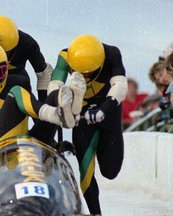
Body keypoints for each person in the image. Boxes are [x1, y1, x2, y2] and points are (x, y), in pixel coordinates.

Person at [47, 34, 128, 215]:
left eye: (88, 72)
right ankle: (95, 212)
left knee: (110, 171)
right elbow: (54, 83)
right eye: (80, 72)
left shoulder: (112, 53)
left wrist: (104, 109)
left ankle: (76, 102)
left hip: (108, 112)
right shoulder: (66, 56)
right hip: (82, 115)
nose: (85, 75)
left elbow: (120, 85)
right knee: (85, 168)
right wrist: (57, 102)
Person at [0, 40, 86, 156]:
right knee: (16, 91)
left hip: (27, 142)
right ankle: (56, 115)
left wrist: (53, 144)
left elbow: (36, 117)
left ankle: (70, 107)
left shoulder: (20, 82)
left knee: (55, 96)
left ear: (7, 68)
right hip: (2, 150)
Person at [0, 15, 52, 102]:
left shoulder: (27, 44)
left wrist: (44, 106)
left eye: (7, 53)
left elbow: (45, 74)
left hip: (17, 79)